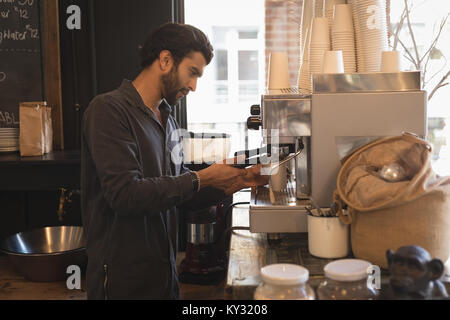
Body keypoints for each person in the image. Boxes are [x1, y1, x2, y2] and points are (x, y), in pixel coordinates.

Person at [81, 22, 268, 300]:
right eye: (192, 73)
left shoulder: (166, 120)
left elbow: (180, 195)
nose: (193, 86)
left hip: (164, 279)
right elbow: (125, 195)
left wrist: (239, 180)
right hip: (122, 284)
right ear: (165, 60)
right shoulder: (108, 110)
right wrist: (204, 176)